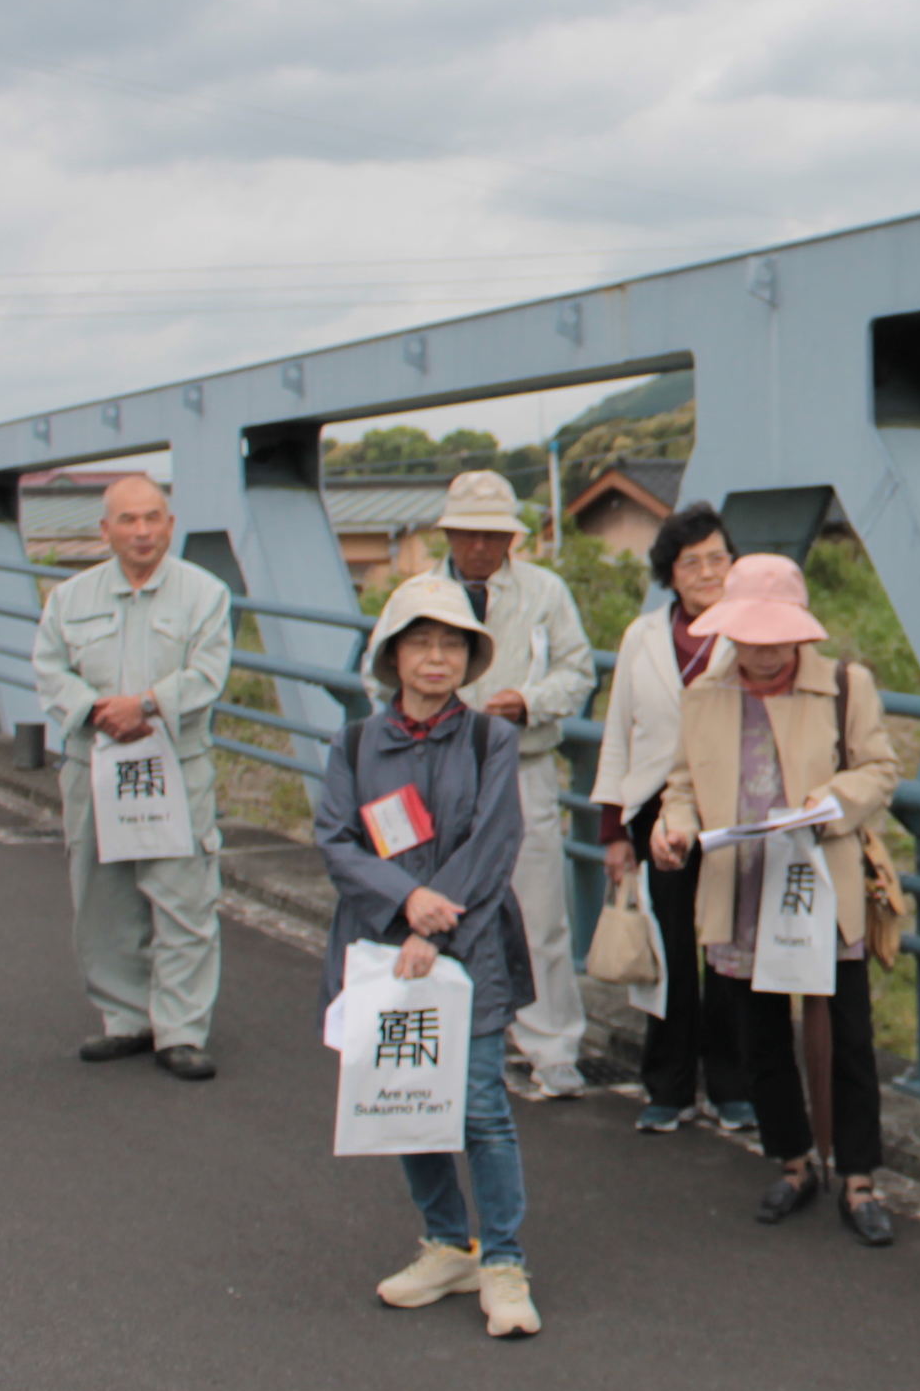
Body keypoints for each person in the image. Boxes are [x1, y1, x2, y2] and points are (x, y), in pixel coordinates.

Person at [650, 554, 900, 1240]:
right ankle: (792, 1161)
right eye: (748, 638)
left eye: (774, 637)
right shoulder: (705, 691)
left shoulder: (846, 686)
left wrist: (831, 801)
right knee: (758, 1034)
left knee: (848, 1034)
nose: (761, 653)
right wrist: (672, 830)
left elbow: (880, 768)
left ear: (800, 632)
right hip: (742, 887)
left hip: (820, 882)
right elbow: (681, 786)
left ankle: (858, 1177)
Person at [318, 577, 541, 1339]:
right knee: (406, 1102)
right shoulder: (354, 743)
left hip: (467, 947)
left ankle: (504, 1259)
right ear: (394, 656)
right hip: (381, 949)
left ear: (470, 657)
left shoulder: (491, 738)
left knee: (480, 1106)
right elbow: (336, 839)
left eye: (452, 643)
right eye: (421, 642)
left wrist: (432, 924)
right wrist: (402, 904)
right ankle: (448, 1243)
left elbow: (495, 840)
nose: (437, 657)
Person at [368, 470, 600, 1104]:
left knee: (540, 910)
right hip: (432, 776)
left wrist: (528, 701)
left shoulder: (544, 591)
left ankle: (551, 1047)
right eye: (468, 533)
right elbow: (376, 677)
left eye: (492, 535)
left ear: (510, 538)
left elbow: (577, 670)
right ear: (448, 533)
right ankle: (458, 1040)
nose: (479, 547)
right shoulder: (415, 594)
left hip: (520, 766)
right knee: (437, 907)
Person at [32, 474, 235, 1080]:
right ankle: (125, 1018)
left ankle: (180, 1028)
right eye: (127, 520)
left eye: (153, 518)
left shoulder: (206, 594)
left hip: (176, 762)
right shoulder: (68, 598)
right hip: (95, 763)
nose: (142, 531)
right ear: (105, 530)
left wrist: (143, 705)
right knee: (101, 893)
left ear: (171, 524)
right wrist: (99, 711)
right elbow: (49, 669)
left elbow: (208, 672)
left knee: (183, 896)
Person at [593, 503, 751, 1135]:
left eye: (718, 557)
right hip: (657, 810)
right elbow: (617, 731)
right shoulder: (643, 636)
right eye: (693, 562)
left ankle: (735, 1085)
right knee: (671, 952)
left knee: (729, 952)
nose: (708, 571)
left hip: (731, 808)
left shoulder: (751, 631)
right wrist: (613, 829)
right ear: (670, 573)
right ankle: (669, 1086)